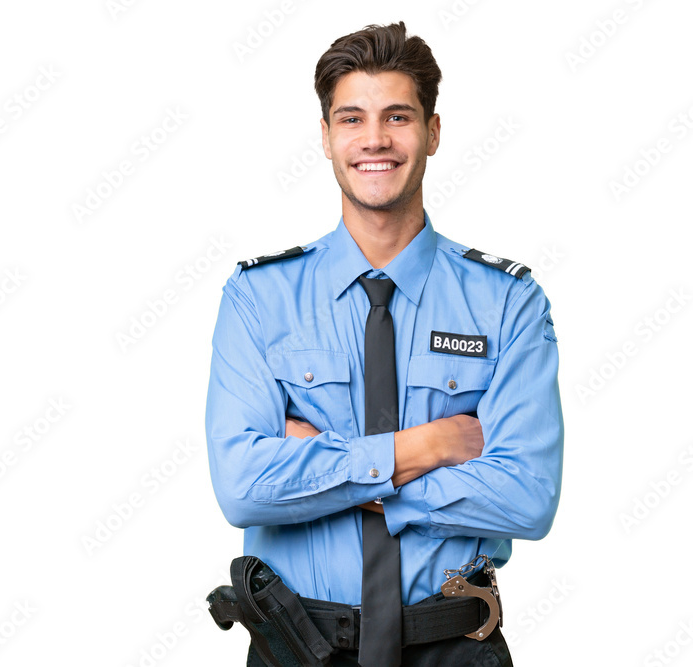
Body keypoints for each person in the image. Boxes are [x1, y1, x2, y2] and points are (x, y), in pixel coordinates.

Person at [205, 21, 563, 666]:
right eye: (352, 119)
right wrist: (424, 448)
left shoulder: (506, 302)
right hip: (298, 645)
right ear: (325, 137)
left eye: (398, 116)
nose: (375, 140)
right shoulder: (259, 298)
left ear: (431, 132)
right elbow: (242, 487)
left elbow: (526, 496)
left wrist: (340, 472)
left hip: (454, 646)